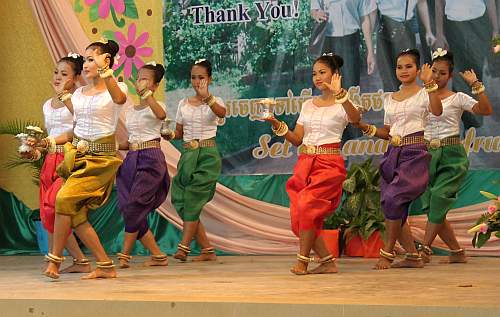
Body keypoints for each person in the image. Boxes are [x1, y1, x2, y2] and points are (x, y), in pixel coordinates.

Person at [265, 53, 361, 275]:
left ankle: (303, 261)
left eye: (322, 72)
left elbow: (355, 120)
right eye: (314, 74)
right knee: (299, 218)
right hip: (305, 162)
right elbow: (298, 139)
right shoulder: (308, 104)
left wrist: (341, 95)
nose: (317, 77)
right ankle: (327, 261)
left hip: (329, 164)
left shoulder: (344, 103)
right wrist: (276, 123)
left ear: (335, 75)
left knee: (307, 207)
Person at [43, 38, 128, 279]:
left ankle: (54, 262)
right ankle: (105, 265)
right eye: (86, 58)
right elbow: (76, 128)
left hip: (100, 160)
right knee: (76, 215)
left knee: (63, 198)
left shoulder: (117, 88)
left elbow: (119, 101)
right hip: (79, 156)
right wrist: (49, 141)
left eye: (91, 59)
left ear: (106, 61)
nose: (86, 63)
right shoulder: (79, 93)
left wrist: (106, 72)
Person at [355, 49, 443, 269]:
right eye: (399, 67)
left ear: (418, 69)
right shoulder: (390, 98)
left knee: (394, 199)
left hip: (415, 153)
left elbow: (437, 110)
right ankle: (413, 256)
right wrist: (364, 127)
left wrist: (430, 84)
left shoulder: (425, 93)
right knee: (393, 206)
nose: (403, 71)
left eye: (408, 66)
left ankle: (387, 252)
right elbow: (387, 131)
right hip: (392, 154)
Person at [412, 49, 493, 263]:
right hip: (426, 154)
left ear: (450, 75)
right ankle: (457, 253)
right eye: (434, 72)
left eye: (442, 73)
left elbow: (485, 110)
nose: (437, 77)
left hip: (451, 156)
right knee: (433, 207)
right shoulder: (421, 96)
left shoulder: (457, 98)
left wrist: (476, 85)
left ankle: (424, 251)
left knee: (439, 198)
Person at [166, 59, 226, 262]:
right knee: (181, 199)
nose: (197, 81)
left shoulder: (216, 101)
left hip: (207, 156)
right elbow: (179, 133)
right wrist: (169, 135)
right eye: (193, 77)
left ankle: (183, 247)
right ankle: (207, 250)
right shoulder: (183, 103)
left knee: (193, 199)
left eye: (201, 77)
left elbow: (222, 114)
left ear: (209, 79)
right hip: (188, 155)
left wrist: (206, 98)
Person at [115, 62, 170, 268]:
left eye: (146, 78)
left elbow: (162, 116)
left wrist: (147, 95)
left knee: (136, 205)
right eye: (139, 77)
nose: (140, 81)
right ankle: (158, 255)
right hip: (131, 159)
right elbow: (129, 142)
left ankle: (124, 255)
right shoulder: (130, 110)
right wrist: (114, 145)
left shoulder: (159, 105)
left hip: (151, 158)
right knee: (128, 208)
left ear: (155, 85)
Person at [376, 0, 436, 92]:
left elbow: (422, 3)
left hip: (403, 27)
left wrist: (428, 31)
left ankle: (406, 99)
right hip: (386, 27)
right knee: (388, 73)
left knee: (405, 72)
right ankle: (393, 101)